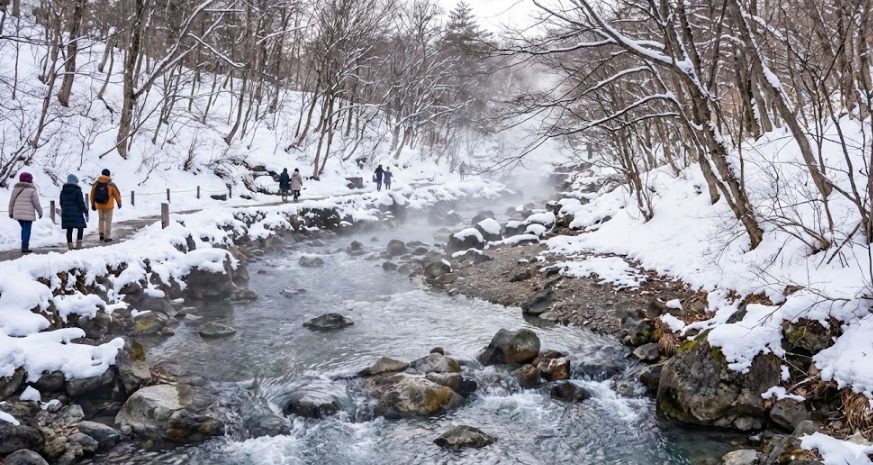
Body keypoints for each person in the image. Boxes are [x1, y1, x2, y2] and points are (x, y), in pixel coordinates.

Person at [8, 172, 42, 254]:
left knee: (24, 229)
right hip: (28, 214)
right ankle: (25, 247)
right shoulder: (32, 190)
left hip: (17, 213)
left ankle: (24, 244)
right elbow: (36, 203)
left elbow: (11, 202)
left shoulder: (15, 190)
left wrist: (10, 212)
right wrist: (40, 212)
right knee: (27, 230)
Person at [90, 169, 122, 242]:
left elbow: (92, 195)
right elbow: (117, 194)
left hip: (99, 205)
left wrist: (92, 204)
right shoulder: (111, 184)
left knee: (101, 219)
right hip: (109, 206)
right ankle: (107, 236)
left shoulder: (96, 184)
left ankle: (101, 234)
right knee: (108, 221)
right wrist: (119, 202)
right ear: (108, 175)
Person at [60, 174, 88, 250]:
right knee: (81, 227)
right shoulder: (77, 191)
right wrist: (85, 211)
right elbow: (81, 203)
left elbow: (61, 202)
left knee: (69, 229)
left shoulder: (63, 190)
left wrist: (65, 209)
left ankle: (70, 246)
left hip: (66, 213)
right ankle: (79, 245)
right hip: (77, 213)